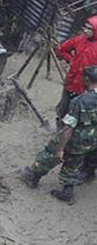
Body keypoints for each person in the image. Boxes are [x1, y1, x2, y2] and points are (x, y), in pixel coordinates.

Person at [21, 65, 97, 204]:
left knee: (50, 154)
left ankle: (33, 175)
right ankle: (67, 191)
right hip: (91, 140)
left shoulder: (80, 102)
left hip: (76, 139)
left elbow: (69, 127)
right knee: (73, 163)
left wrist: (60, 148)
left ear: (87, 79)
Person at [56, 16, 97, 128]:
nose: (85, 30)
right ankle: (58, 132)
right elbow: (61, 49)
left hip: (85, 89)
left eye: (89, 29)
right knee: (62, 110)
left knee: (77, 117)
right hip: (70, 82)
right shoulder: (79, 39)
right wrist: (70, 59)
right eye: (85, 27)